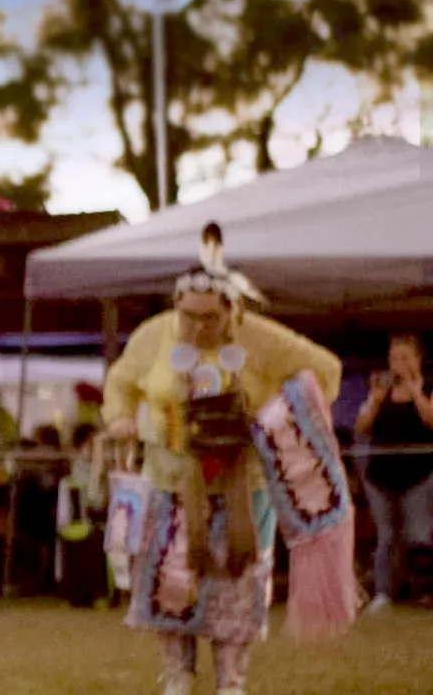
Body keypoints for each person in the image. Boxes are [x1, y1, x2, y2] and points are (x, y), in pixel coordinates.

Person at [104, 224, 344, 695]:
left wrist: (279, 420)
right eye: (188, 315)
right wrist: (121, 418)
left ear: (231, 309)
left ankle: (231, 679)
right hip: (170, 484)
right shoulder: (156, 336)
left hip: (242, 487)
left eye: (208, 317)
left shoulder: (262, 339)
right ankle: (177, 673)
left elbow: (325, 373)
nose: (196, 326)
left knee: (235, 581)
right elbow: (120, 382)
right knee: (172, 580)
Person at [353, 332, 433, 613]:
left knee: (418, 534)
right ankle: (384, 592)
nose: (397, 363)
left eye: (404, 358)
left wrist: (416, 393)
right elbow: (361, 428)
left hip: (419, 475)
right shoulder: (380, 391)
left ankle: (423, 591)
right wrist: (375, 400)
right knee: (386, 536)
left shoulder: (429, 387)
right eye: (393, 358)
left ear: (417, 360)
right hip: (381, 475)